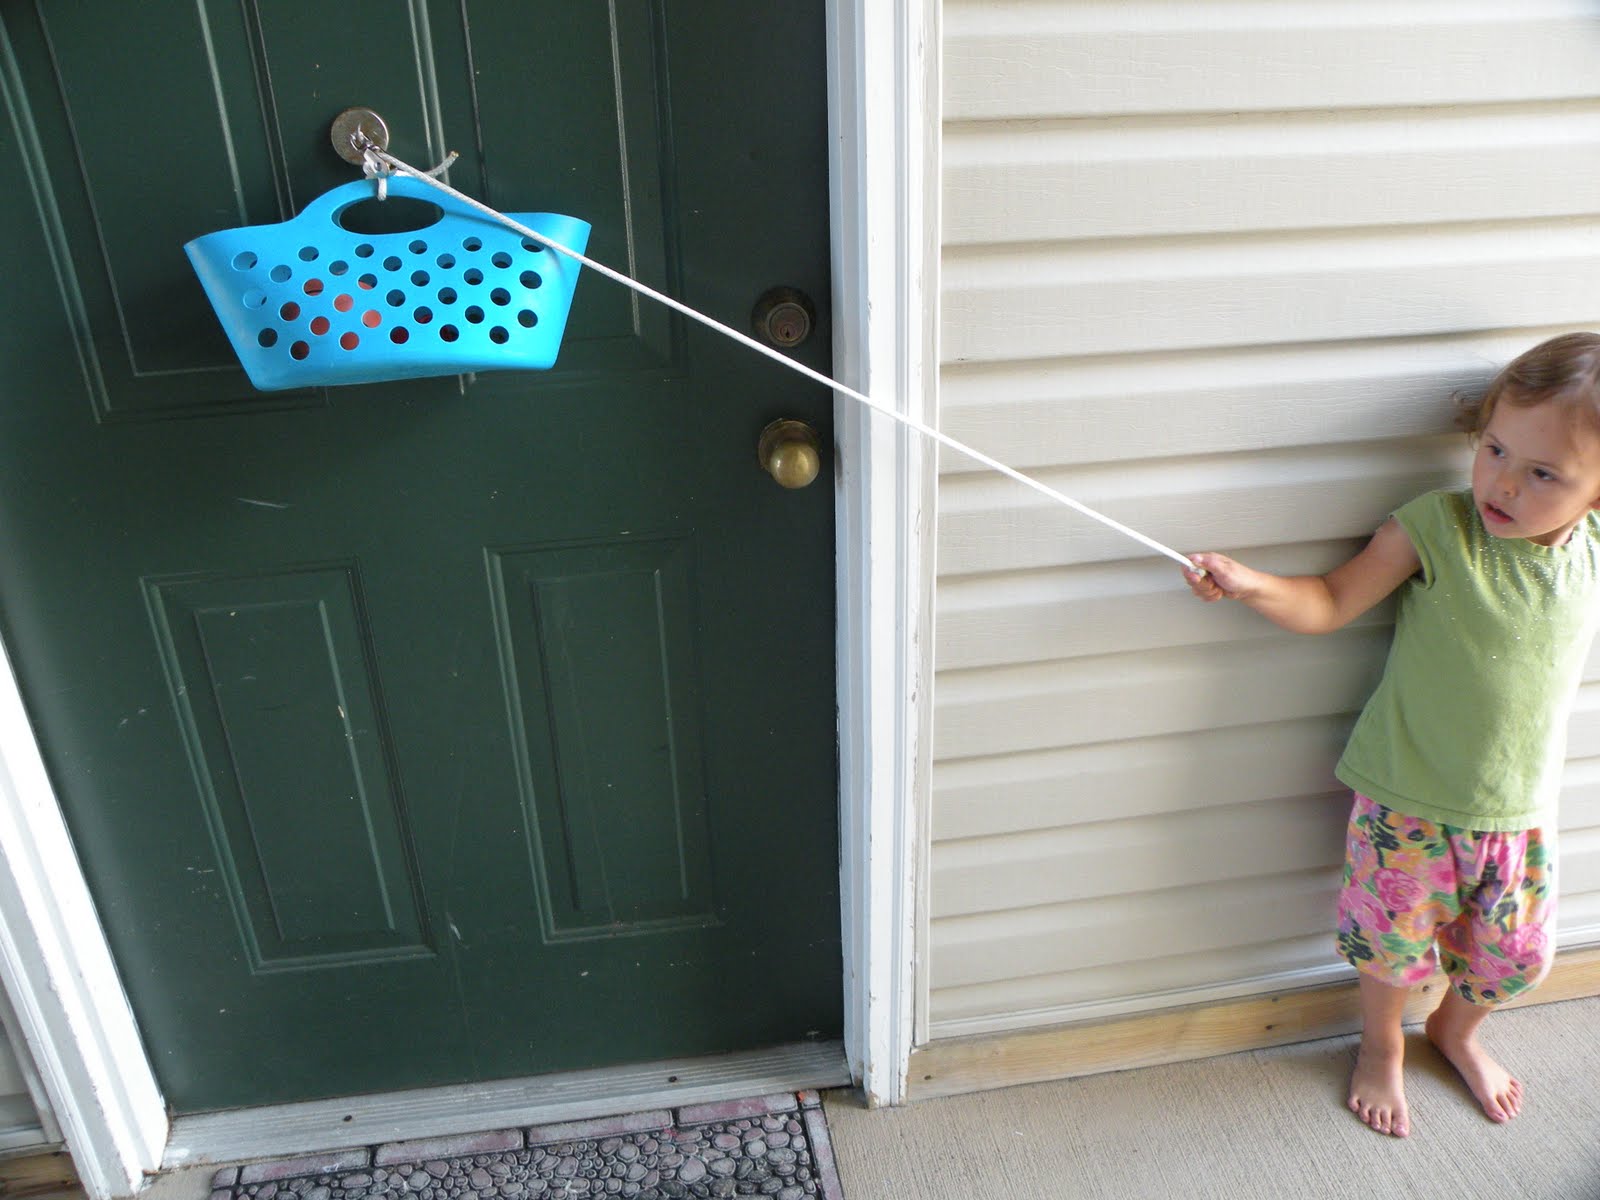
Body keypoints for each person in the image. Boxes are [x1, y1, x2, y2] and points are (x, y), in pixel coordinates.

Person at [1182, 332, 1600, 1138]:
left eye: (1543, 472)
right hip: (1408, 801)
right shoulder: (1439, 528)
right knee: (1391, 948)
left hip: (1517, 813)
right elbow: (1330, 601)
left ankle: (1454, 1030)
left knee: (1515, 957)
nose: (1502, 482)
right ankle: (1381, 1045)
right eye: (1494, 448)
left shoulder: (1589, 556)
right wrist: (1250, 584)